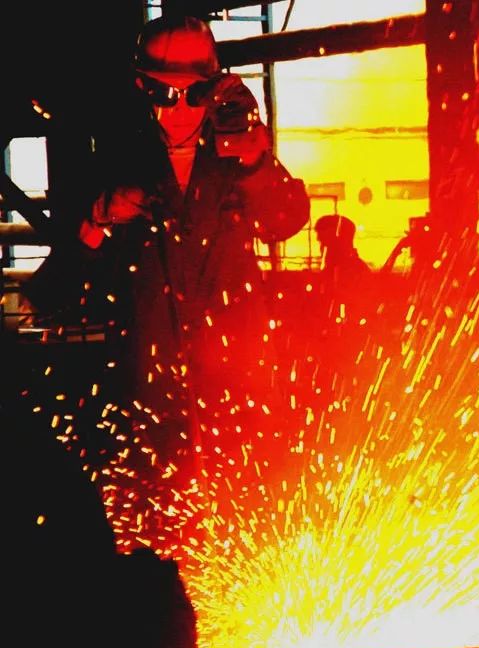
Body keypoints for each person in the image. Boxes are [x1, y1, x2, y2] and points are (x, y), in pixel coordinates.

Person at [74, 16, 310, 461]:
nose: (180, 107)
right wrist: (100, 218)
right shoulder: (119, 161)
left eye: (195, 93)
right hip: (150, 388)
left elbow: (284, 221)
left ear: (215, 89)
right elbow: (69, 280)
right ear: (143, 87)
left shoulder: (236, 153)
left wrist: (257, 161)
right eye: (165, 93)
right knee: (154, 490)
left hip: (237, 381)